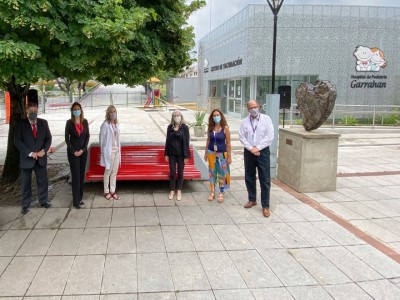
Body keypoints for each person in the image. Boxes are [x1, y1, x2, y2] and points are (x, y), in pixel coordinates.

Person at [14, 102, 52, 214]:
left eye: (35, 111)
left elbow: (48, 139)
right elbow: (18, 141)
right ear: (27, 111)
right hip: (27, 159)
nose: (33, 113)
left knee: (43, 181)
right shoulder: (21, 124)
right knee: (26, 183)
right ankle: (25, 204)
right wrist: (30, 153)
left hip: (40, 158)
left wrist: (43, 151)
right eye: (31, 111)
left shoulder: (43, 123)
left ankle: (43, 200)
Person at [239, 100, 274, 218]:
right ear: (248, 109)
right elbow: (242, 136)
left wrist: (258, 148)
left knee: (264, 178)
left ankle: (265, 206)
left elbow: (270, 136)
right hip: (249, 152)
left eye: (255, 106)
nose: (254, 109)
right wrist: (251, 148)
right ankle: (252, 199)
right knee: (249, 177)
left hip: (262, 151)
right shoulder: (244, 122)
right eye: (251, 107)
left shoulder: (266, 119)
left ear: (259, 106)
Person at [65, 102, 90, 209]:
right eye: (74, 109)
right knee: (75, 176)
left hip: (83, 153)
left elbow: (87, 136)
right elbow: (67, 139)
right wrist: (73, 151)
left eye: (78, 109)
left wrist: (83, 149)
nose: (76, 111)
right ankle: (75, 201)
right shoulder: (69, 123)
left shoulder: (85, 122)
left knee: (81, 175)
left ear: (81, 110)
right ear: (72, 111)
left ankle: (80, 198)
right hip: (73, 153)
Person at [204, 109, 231, 203]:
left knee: (222, 173)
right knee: (212, 173)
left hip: (222, 154)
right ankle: (212, 192)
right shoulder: (210, 127)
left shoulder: (225, 128)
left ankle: (221, 192)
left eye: (217, 115)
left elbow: (228, 143)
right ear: (212, 117)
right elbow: (208, 140)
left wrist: (229, 156)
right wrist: (205, 153)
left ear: (221, 116)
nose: (216, 117)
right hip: (211, 153)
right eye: (214, 115)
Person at [164, 110, 190, 201]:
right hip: (172, 154)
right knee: (172, 172)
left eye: (178, 115)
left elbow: (187, 142)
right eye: (175, 115)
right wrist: (166, 154)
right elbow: (167, 141)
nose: (176, 116)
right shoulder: (169, 127)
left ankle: (179, 190)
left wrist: (186, 156)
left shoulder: (185, 128)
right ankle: (172, 190)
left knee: (180, 172)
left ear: (181, 116)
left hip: (181, 154)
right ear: (172, 117)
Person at [99, 105, 121, 200]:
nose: (113, 114)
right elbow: (101, 140)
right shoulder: (105, 125)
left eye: (114, 112)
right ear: (108, 114)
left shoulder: (116, 124)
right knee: (108, 172)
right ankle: (106, 191)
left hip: (116, 151)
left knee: (114, 172)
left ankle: (113, 190)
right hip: (109, 152)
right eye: (111, 112)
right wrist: (104, 152)